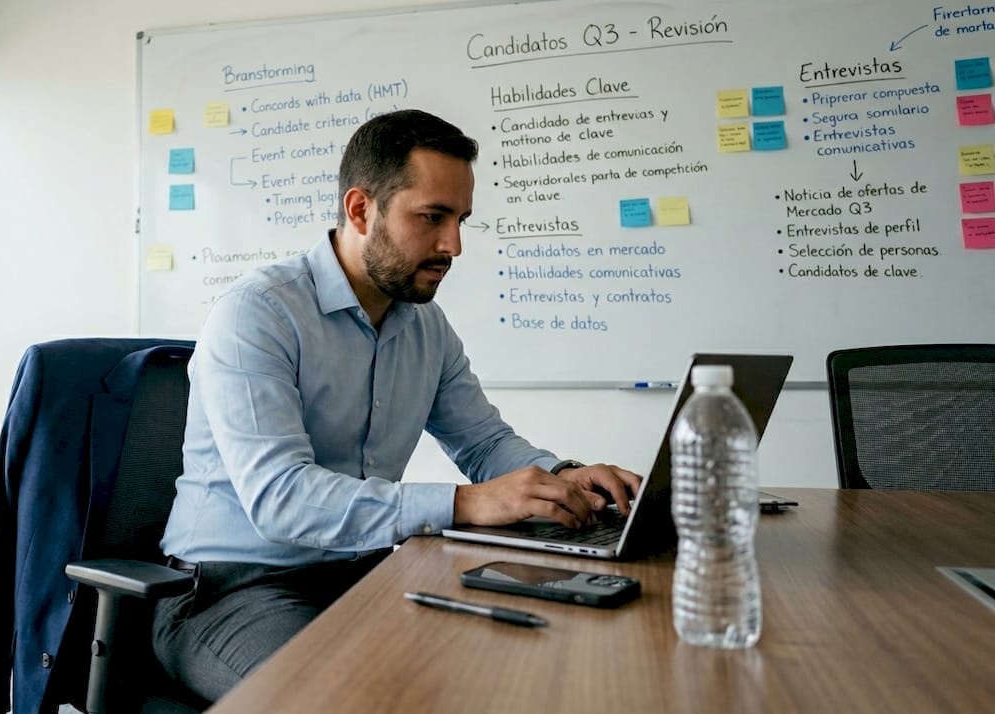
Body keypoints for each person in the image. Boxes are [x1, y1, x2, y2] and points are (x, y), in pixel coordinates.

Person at [153, 109, 641, 701]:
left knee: (519, 667)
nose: (453, 245)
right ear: (361, 210)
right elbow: (280, 500)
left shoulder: (425, 328)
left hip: (361, 574)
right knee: (344, 700)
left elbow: (485, 444)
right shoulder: (258, 313)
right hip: (229, 590)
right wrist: (465, 503)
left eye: (461, 220)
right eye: (432, 218)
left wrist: (563, 476)